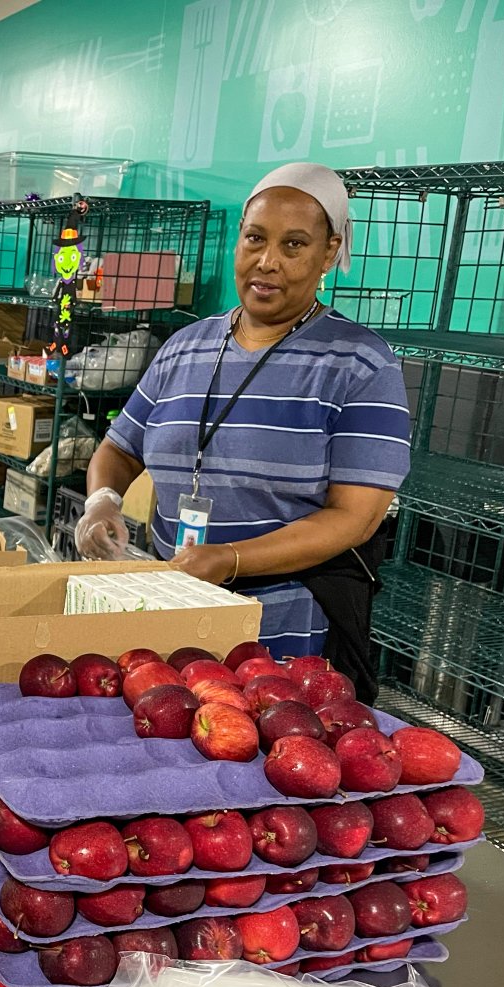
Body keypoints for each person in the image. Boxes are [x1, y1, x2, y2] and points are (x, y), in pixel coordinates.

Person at [76, 162, 410, 701]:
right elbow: (119, 447)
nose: (267, 261)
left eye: (294, 245)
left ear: (329, 254)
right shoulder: (184, 348)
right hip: (170, 610)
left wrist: (231, 560)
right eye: (256, 238)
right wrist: (104, 500)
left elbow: (356, 517)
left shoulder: (360, 366)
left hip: (282, 638)